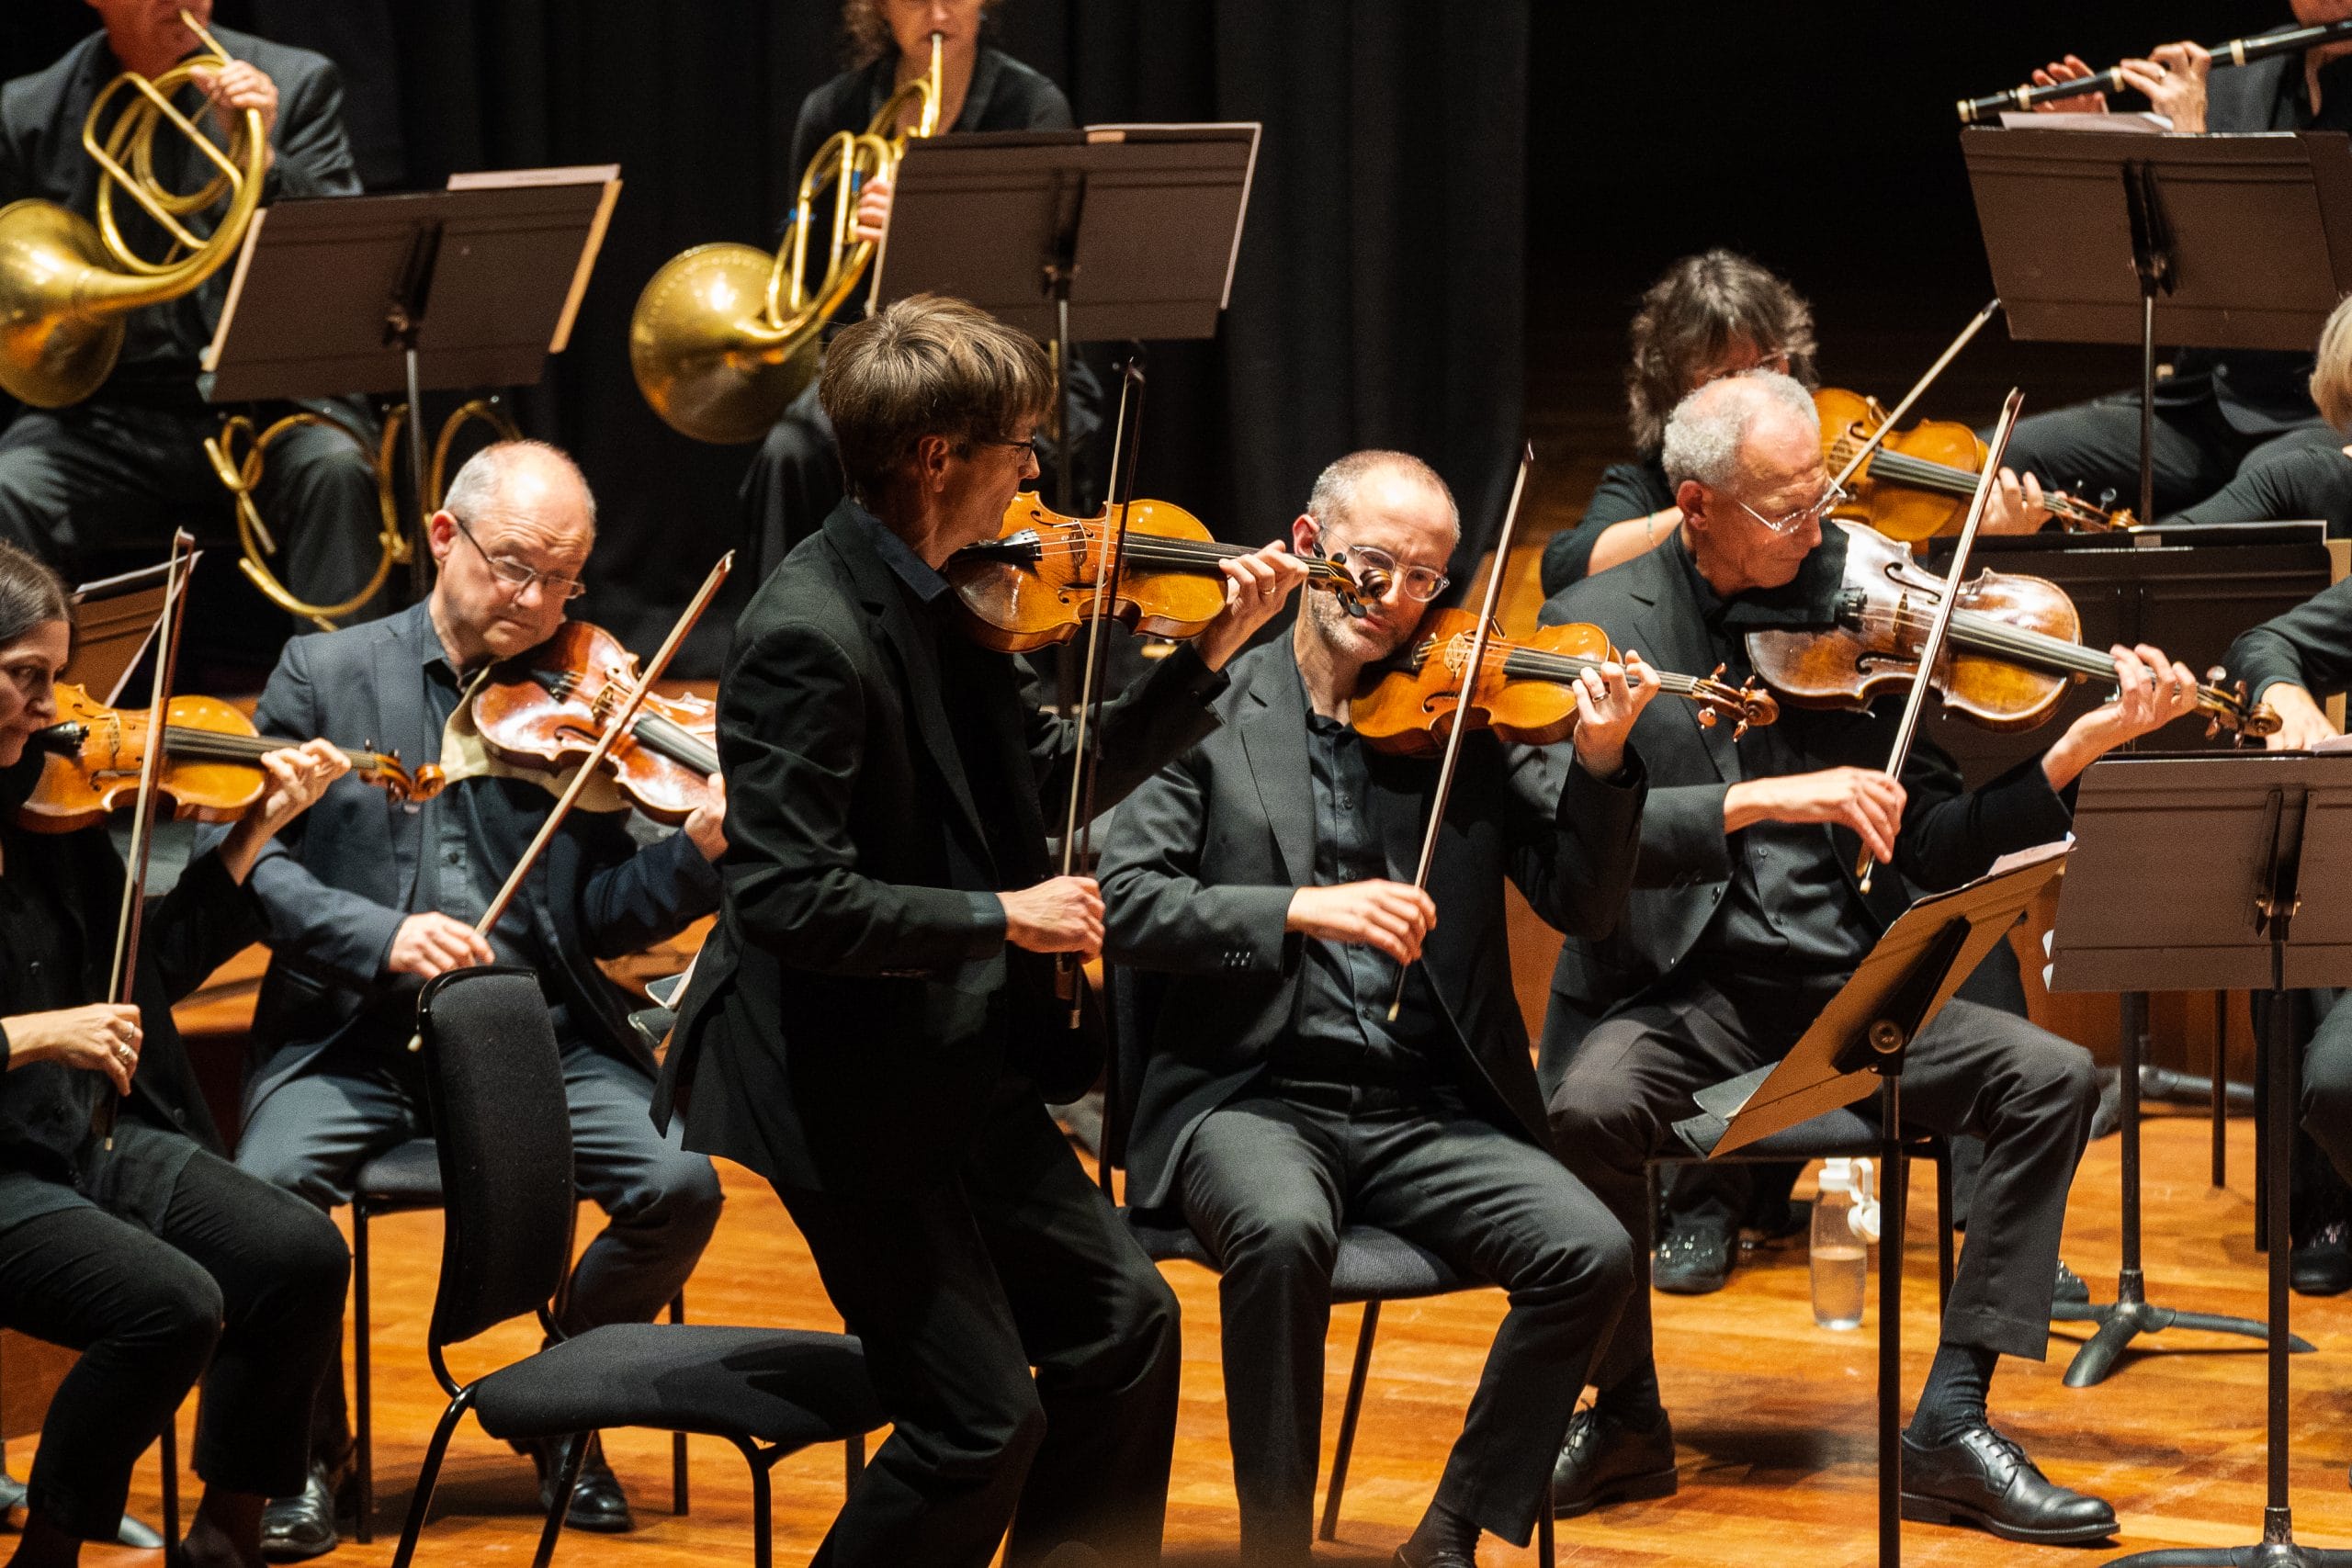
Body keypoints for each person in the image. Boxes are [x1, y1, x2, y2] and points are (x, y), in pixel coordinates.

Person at [654, 291, 1309, 1568]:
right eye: (1019, 446)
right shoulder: (807, 634)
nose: (1037, 474)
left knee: (1127, 1327)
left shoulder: (955, 591)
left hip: (952, 1052)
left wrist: (1209, 654)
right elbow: (786, 900)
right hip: (839, 1081)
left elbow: (1047, 777)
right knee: (976, 1423)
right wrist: (1004, 916)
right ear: (936, 457)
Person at [1540, 370, 2208, 1545]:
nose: (1820, 530)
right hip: (1688, 998)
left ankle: (1949, 1424)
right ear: (1695, 506)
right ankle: (1626, 1411)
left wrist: (2078, 749)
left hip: (1850, 992)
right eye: (1786, 509)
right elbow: (1586, 860)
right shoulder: (1596, 627)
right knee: (1587, 1105)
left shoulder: (1861, 608)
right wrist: (1759, 800)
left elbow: (1935, 842)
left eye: (1823, 496)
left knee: (2049, 1077)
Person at [1098, 450, 1652, 1568]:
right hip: (1250, 1097)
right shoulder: (1202, 705)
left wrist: (1601, 762)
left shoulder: (1462, 720)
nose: (1395, 600)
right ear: (1308, 548)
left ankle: (1448, 1535)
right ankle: (1274, 1551)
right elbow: (1130, 903)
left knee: (1592, 1251)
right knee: (1282, 1233)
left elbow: (1583, 906)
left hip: (1423, 1108)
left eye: (1424, 580)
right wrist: (1299, 909)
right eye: (1373, 565)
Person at [210, 442, 729, 1556]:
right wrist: (383, 936)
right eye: (515, 568)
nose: (537, 604)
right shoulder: (323, 672)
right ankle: (305, 1452)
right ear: (445, 537)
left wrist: (695, 855)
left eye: (563, 581)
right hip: (351, 1038)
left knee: (680, 1186)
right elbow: (259, 869)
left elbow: (602, 918)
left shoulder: (583, 694)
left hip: (536, 1042)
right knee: (266, 1200)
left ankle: (560, 1400)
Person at [0, 538, 354, 1568]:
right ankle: (49, 1554)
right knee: (171, 1307)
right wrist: (36, 1034)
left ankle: (224, 1542)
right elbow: (60, 1025)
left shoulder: (51, 802)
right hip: (4, 1167)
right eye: (25, 676)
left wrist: (250, 835)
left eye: (58, 677)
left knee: (300, 1254)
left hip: (87, 1134)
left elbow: (146, 971)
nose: (52, 707)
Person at [0, 0, 383, 618]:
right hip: (106, 415)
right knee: (7, 486)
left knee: (336, 469)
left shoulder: (295, 83)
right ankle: (30, 680)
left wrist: (262, 163)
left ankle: (338, 680)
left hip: (268, 406)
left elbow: (343, 263)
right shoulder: (28, 111)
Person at [740, 0, 1095, 579]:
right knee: (792, 450)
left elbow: (1039, 281)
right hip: (876, 360)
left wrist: (923, 230)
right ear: (879, 7)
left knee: (1003, 448)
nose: (938, 13)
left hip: (998, 361)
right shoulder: (833, 112)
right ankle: (791, 624)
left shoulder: (1030, 107)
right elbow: (812, 287)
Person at [1997, 4, 2352, 517]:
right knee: (1995, 459)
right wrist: (2100, 147)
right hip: (2202, 404)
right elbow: (2170, 263)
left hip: (2328, 412)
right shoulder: (2234, 76)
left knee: (2273, 486)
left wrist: (2191, 142)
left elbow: (2306, 272)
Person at [1537, 250, 2052, 600]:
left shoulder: (1823, 446)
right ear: (1672, 391)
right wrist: (1720, 508)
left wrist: (1990, 540)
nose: (1757, 385)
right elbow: (1564, 569)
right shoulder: (1649, 488)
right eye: (1726, 375)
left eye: (1768, 364)